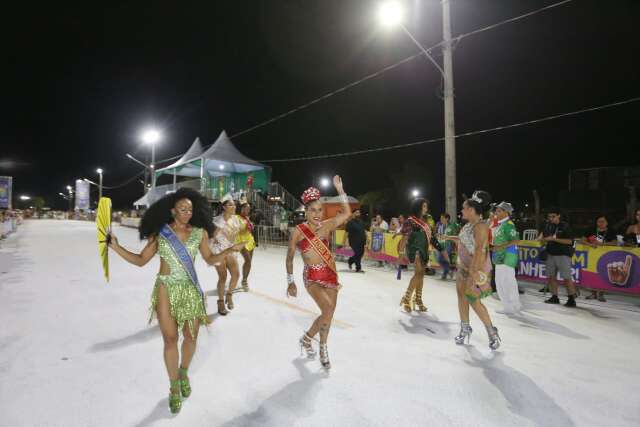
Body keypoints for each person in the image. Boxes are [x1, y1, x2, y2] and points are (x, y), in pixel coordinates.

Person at [108, 188, 243, 414]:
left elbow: (209, 259)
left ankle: (183, 372)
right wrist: (115, 247)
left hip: (190, 289)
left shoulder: (200, 232)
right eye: (183, 209)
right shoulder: (161, 232)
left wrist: (229, 250)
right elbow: (141, 260)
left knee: (191, 338)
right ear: (173, 210)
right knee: (170, 340)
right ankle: (173, 387)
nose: (187, 212)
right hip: (165, 289)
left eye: (190, 209)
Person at [286, 176, 351, 370]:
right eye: (312, 210)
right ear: (305, 211)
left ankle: (317, 344)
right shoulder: (298, 231)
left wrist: (340, 190)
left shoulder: (328, 225)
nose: (316, 214)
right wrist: (291, 281)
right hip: (312, 277)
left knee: (328, 314)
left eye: (319, 210)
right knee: (328, 309)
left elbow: (347, 213)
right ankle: (310, 340)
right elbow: (289, 258)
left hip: (330, 274)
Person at [446, 191, 501, 350]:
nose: (461, 211)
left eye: (464, 208)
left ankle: (492, 332)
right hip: (463, 267)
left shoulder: (481, 227)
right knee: (461, 297)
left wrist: (473, 273)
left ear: (471, 209)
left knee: (473, 300)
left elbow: (480, 251)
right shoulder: (468, 225)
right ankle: (465, 328)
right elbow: (464, 240)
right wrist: (448, 238)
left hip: (475, 270)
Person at [397, 198, 444, 313]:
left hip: (424, 250)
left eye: (426, 206)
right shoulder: (410, 220)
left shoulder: (425, 221)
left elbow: (431, 237)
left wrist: (441, 249)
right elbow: (405, 237)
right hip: (414, 249)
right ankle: (407, 298)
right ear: (418, 207)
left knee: (421, 275)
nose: (426, 208)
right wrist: (401, 254)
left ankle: (418, 299)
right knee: (418, 274)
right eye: (424, 206)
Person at [539, 208, 578, 307]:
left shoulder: (565, 226)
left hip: (563, 254)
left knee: (566, 277)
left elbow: (570, 241)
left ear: (558, 215)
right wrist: (542, 240)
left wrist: (554, 239)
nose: (551, 218)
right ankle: (554, 297)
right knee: (551, 276)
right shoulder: (548, 226)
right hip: (550, 254)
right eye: (549, 217)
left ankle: (571, 299)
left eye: (553, 216)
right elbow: (542, 239)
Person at [210, 195, 242, 315]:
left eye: (234, 204)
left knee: (236, 275)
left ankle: (229, 294)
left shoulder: (236, 219)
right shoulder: (218, 220)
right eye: (230, 205)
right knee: (223, 277)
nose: (233, 206)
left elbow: (234, 236)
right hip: (218, 250)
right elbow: (212, 236)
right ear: (224, 207)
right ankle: (220, 301)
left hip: (229, 249)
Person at [490, 202, 522, 314]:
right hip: (500, 256)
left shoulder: (508, 224)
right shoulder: (500, 225)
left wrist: (500, 247)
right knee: (500, 282)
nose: (496, 213)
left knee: (508, 282)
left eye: (499, 211)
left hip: (507, 256)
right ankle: (511, 305)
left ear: (506, 212)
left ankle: (512, 305)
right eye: (496, 211)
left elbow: (516, 240)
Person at [580, 214, 617, 302]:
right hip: (592, 254)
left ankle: (601, 294)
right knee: (593, 273)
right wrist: (590, 244)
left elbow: (615, 243)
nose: (600, 223)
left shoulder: (611, 231)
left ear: (607, 223)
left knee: (603, 273)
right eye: (598, 221)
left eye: (602, 221)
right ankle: (593, 293)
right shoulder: (591, 230)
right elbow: (582, 240)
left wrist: (603, 244)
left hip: (605, 255)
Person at [236, 202, 256, 292]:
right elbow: (236, 229)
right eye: (246, 209)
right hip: (241, 241)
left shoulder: (247, 218)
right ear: (242, 208)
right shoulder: (236, 218)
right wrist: (244, 227)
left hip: (250, 240)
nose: (248, 211)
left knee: (249, 262)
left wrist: (251, 226)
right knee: (247, 260)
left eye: (249, 209)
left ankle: (245, 279)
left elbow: (249, 229)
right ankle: (244, 282)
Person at [436, 213, 459, 280]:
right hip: (441, 244)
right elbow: (438, 234)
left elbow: (455, 235)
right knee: (439, 259)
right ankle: (448, 271)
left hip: (449, 244)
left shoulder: (452, 226)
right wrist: (438, 235)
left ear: (447, 219)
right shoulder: (440, 226)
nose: (441, 219)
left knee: (444, 258)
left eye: (442, 218)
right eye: (440, 218)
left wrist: (455, 245)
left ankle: (445, 273)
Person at [346, 208, 366, 273]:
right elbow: (346, 232)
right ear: (353, 213)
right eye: (356, 212)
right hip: (354, 241)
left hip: (362, 240)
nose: (358, 213)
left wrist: (367, 238)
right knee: (357, 253)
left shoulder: (361, 221)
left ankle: (350, 261)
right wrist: (345, 241)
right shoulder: (350, 222)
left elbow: (363, 231)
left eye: (359, 212)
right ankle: (358, 268)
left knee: (361, 253)